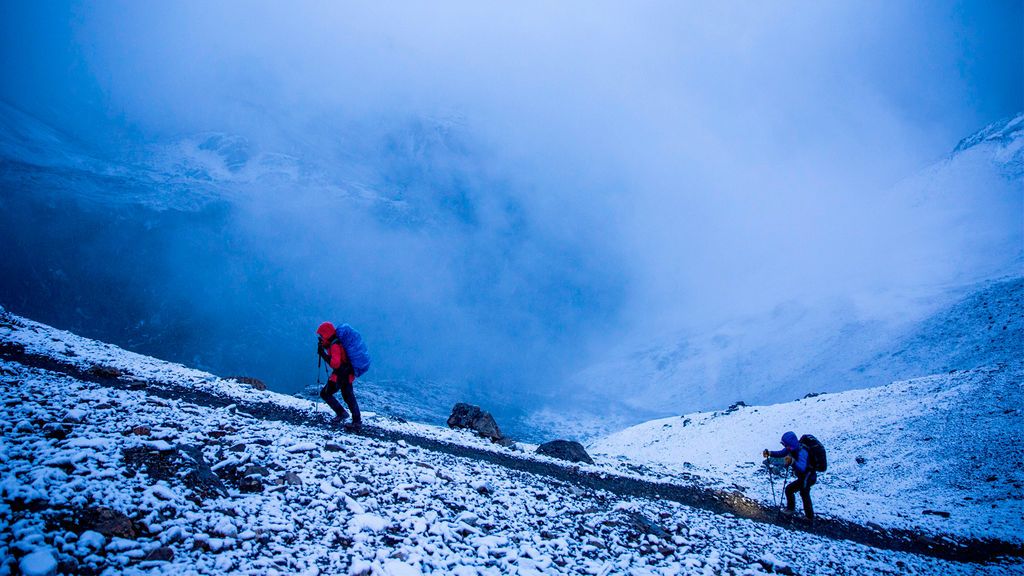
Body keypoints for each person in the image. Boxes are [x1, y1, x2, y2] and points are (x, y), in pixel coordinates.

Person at [316, 321, 370, 432]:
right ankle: (356, 421)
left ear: (326, 334)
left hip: (340, 375)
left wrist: (323, 355)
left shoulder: (335, 345)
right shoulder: (336, 343)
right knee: (348, 397)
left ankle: (343, 414)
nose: (321, 338)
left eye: (321, 335)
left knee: (325, 393)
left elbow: (335, 363)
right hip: (347, 374)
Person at [763, 431, 816, 520]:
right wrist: (770, 453)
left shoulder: (802, 452)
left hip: (808, 477)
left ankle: (808, 517)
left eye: (786, 445)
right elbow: (781, 453)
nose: (785, 447)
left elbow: (802, 468)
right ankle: (793, 511)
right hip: (804, 477)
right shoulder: (792, 448)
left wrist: (792, 462)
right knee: (790, 490)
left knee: (803, 493)